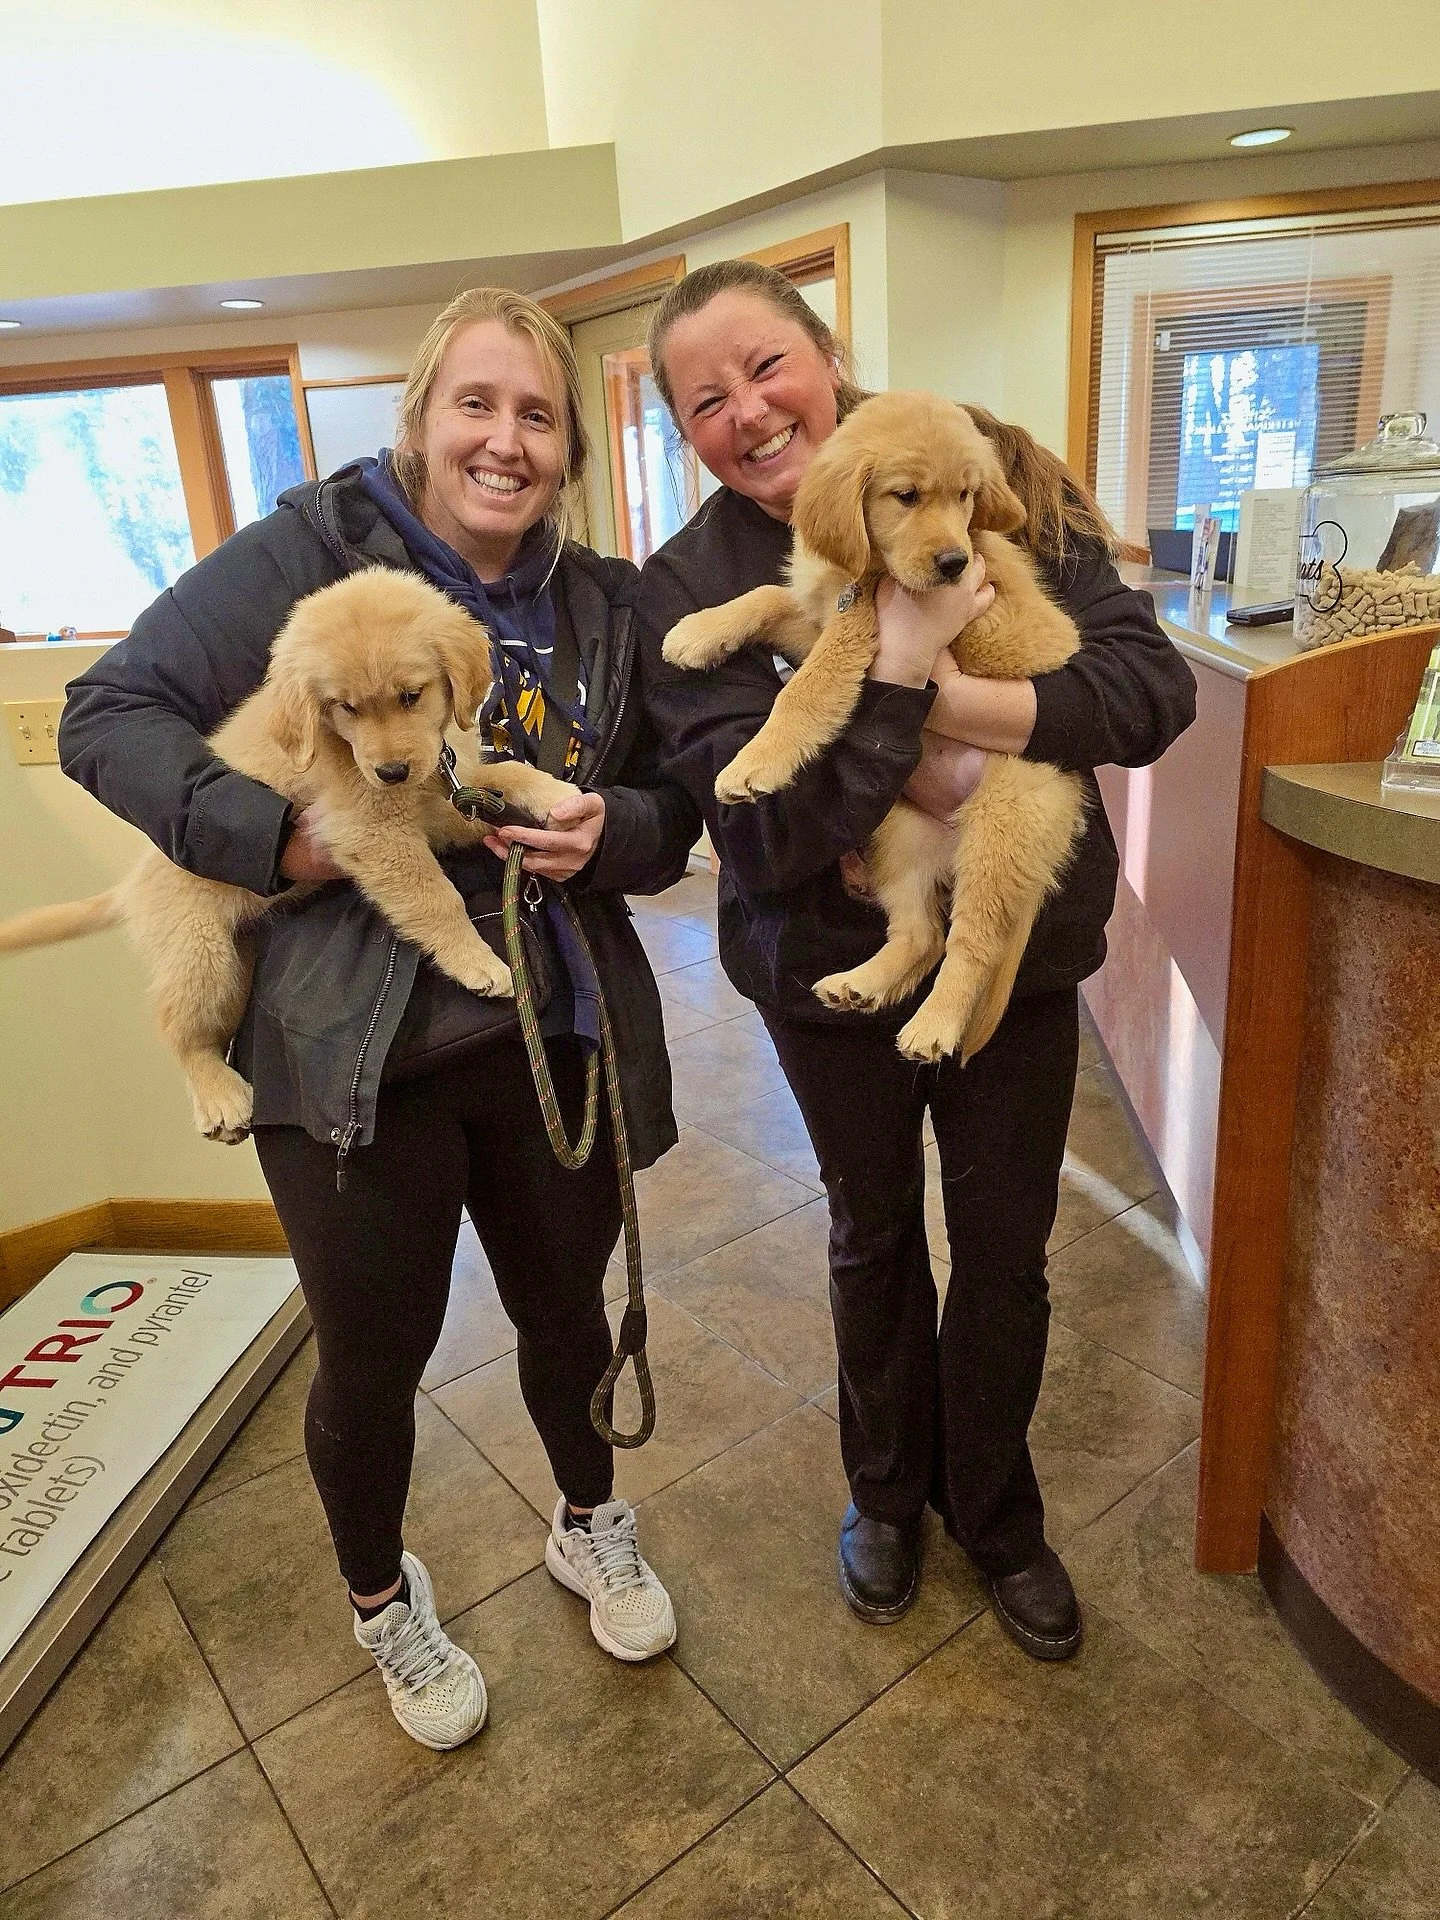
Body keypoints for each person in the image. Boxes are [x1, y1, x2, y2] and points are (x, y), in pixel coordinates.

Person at [59, 287, 698, 1748]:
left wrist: (626, 827)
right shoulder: (306, 559)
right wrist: (267, 842)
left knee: (563, 1318)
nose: (504, 439)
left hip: (551, 1039)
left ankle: (588, 1519)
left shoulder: (602, 604)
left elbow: (675, 803)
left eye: (536, 413)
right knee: (373, 1362)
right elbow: (109, 711)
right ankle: (379, 1598)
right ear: (417, 424)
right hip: (349, 1060)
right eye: (475, 403)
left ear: (571, 448)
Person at [637, 260, 1196, 1660]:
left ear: (829, 356)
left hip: (1021, 956)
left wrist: (960, 699)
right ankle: (885, 1493)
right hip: (821, 972)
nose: (750, 412)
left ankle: (998, 1516)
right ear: (683, 432)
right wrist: (893, 699)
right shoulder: (690, 582)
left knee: (1004, 1252)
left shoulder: (986, 465)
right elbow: (756, 827)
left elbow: (1144, 689)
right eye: (706, 400)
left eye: (769, 367)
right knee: (872, 1237)